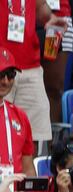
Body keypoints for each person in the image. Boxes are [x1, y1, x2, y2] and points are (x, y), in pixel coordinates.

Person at [1, 0, 67, 155]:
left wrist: (50, 17)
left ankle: (29, 179)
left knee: (32, 138)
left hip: (31, 67)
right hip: (2, 67)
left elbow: (39, 5)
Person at [0, 47, 36, 178]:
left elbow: (28, 168)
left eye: (10, 75)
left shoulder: (20, 116)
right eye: (1, 74)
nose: (5, 81)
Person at [36, 0, 73, 123]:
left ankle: (52, 139)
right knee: (22, 81)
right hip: (23, 16)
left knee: (54, 87)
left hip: (58, 21)